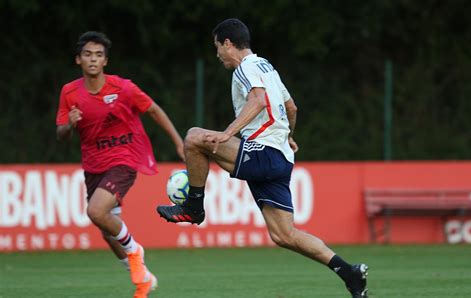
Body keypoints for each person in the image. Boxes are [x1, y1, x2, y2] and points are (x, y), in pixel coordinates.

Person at [157, 19, 369, 297]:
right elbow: (292, 107)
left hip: (264, 153)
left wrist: (227, 132)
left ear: (228, 43)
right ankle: (350, 273)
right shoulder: (267, 67)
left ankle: (194, 206)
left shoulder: (245, 67)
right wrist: (290, 136)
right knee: (284, 235)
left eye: (217, 47)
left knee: (194, 137)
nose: (217, 54)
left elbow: (257, 100)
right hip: (280, 158)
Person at [56, 31, 185, 298]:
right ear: (78, 60)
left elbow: (153, 109)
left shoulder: (123, 88)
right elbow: (60, 134)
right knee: (106, 231)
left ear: (105, 61)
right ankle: (142, 276)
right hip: (93, 165)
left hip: (124, 159)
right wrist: (69, 123)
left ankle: (136, 251)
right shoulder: (69, 92)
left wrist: (178, 142)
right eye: (88, 54)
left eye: (99, 55)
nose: (93, 59)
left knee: (95, 211)